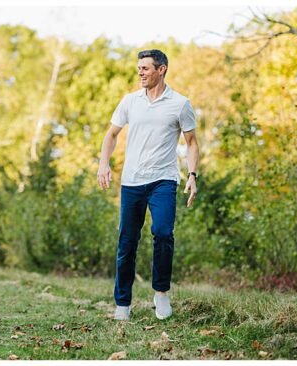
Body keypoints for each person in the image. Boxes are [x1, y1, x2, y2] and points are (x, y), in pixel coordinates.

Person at [96, 49, 200, 321]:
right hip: (132, 181)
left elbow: (191, 142)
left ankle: (161, 292)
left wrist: (192, 175)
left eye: (145, 68)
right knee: (127, 243)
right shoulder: (130, 101)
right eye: (139, 68)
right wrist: (103, 164)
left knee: (163, 233)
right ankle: (122, 304)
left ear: (161, 69)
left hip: (164, 180)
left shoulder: (179, 103)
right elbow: (112, 134)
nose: (140, 72)